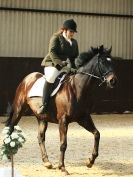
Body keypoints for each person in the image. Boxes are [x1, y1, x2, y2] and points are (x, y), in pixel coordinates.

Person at [37, 19, 79, 114]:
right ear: (65, 30)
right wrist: (60, 64)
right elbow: (52, 52)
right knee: (51, 77)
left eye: (73, 32)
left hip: (64, 65)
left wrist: (75, 68)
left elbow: (74, 57)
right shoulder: (56, 37)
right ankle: (44, 103)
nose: (72, 34)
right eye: (71, 31)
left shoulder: (74, 42)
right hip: (52, 63)